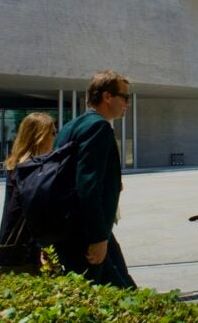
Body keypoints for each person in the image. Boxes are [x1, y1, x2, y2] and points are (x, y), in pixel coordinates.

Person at [52, 70, 136, 288]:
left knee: (123, 287)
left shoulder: (71, 126)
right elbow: (88, 186)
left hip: (73, 229)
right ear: (107, 96)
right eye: (125, 97)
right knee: (117, 295)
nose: (128, 103)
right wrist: (98, 238)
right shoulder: (98, 128)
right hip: (87, 236)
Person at [0, 112, 56, 276]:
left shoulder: (17, 168)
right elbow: (35, 214)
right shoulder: (32, 170)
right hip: (26, 251)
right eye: (53, 133)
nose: (56, 137)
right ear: (40, 137)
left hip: (10, 246)